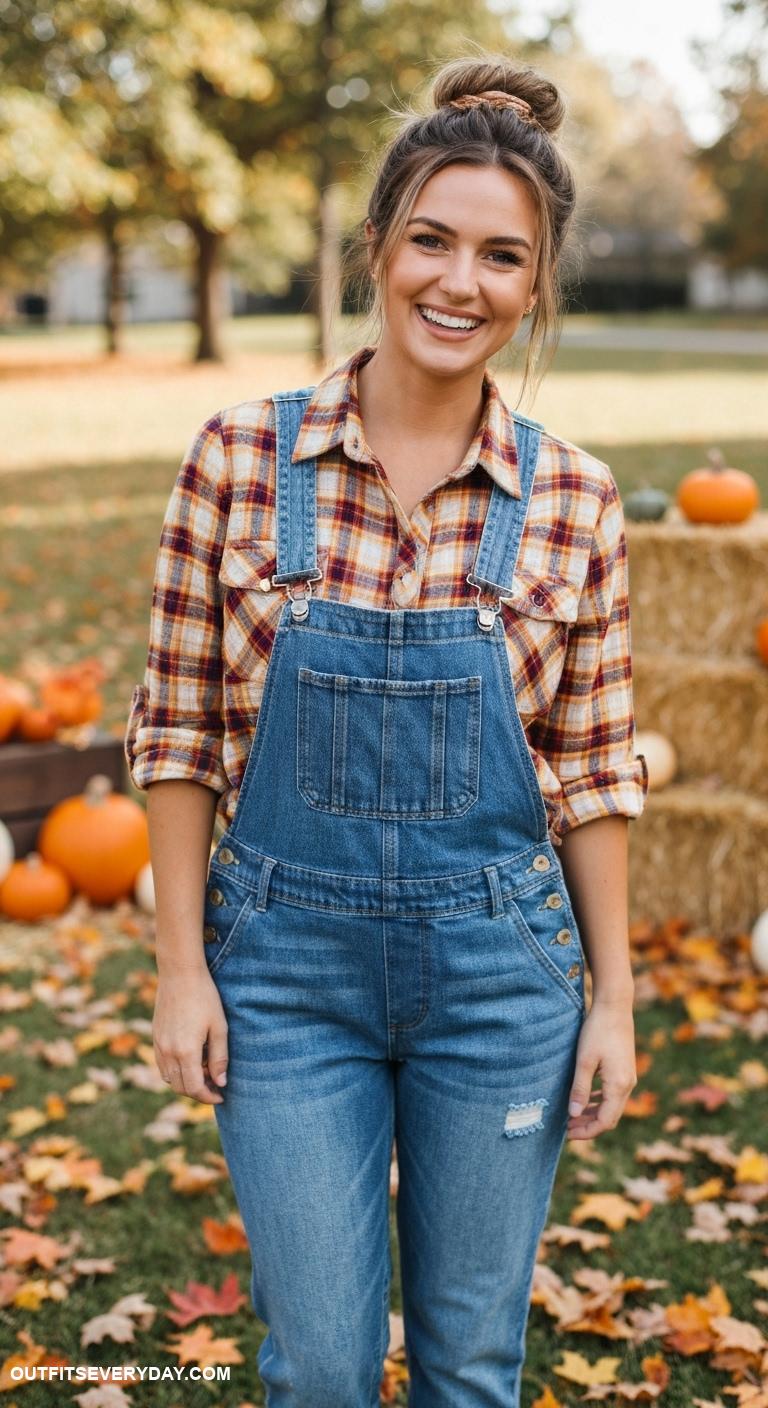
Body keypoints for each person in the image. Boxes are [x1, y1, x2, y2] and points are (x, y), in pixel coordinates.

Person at [125, 51, 649, 1408]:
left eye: (501, 256)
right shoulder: (237, 459)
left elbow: (591, 773)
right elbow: (177, 730)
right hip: (283, 971)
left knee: (474, 1364)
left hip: (502, 974)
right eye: (430, 239)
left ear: (537, 286)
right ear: (377, 245)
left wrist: (616, 997)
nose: (457, 283)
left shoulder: (576, 500)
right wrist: (184, 969)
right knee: (321, 1369)